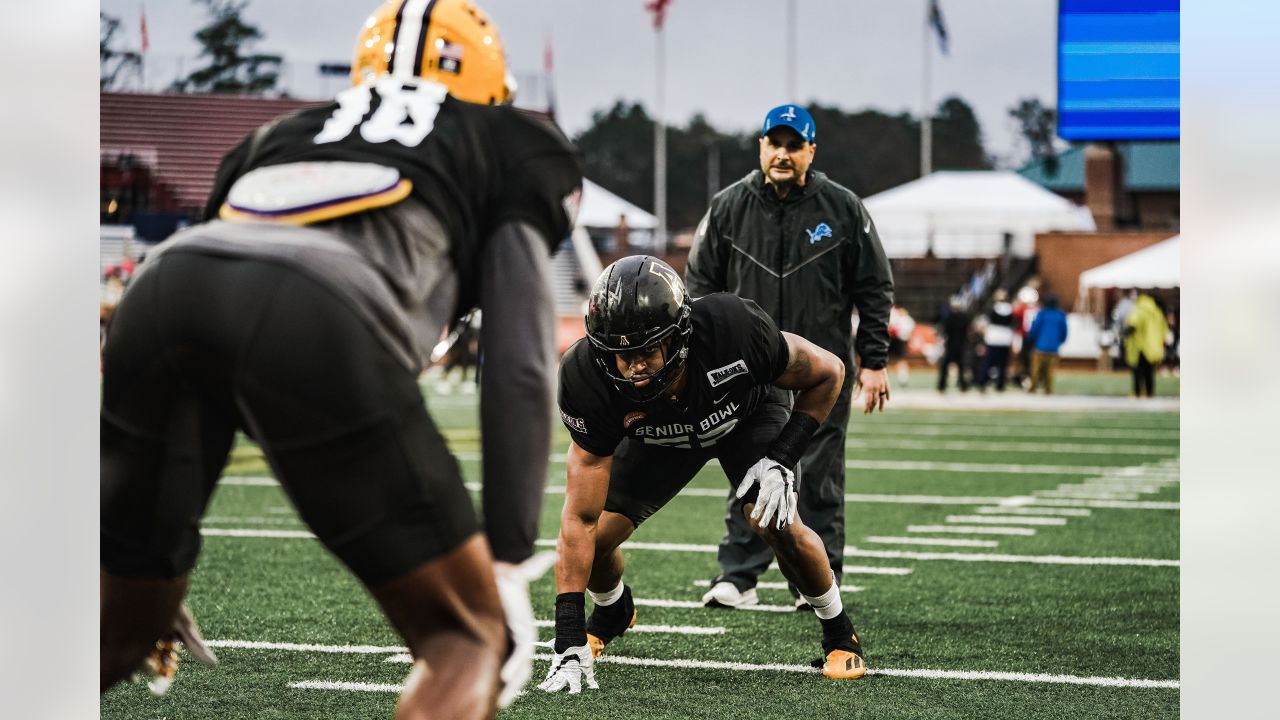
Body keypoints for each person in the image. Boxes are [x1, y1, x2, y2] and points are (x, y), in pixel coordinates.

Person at [99, 1, 582, 716]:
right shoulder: (513, 140)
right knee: (470, 635)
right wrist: (506, 559)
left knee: (118, 629)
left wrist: (156, 568)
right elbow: (520, 359)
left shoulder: (278, 133)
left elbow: (214, 317)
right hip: (321, 310)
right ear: (488, 79)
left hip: (163, 289)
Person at [539, 256, 870, 694]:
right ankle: (613, 610)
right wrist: (567, 636)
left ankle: (839, 631)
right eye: (620, 354)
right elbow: (577, 519)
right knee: (595, 534)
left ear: (679, 336)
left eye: (645, 350)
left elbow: (830, 372)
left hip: (745, 416)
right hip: (659, 436)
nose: (633, 366)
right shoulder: (586, 378)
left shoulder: (733, 329)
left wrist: (782, 458)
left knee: (774, 522)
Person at [684, 104, 894, 611]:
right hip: (747, 368)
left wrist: (874, 360)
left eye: (793, 145)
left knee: (819, 472)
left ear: (810, 152)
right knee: (746, 466)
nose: (782, 153)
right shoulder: (729, 206)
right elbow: (699, 288)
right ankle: (738, 575)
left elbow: (874, 287)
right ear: (760, 147)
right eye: (773, 143)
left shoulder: (844, 209)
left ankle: (816, 580)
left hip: (821, 370)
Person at [1123, 291, 1169, 397]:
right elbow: (1164, 329)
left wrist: (1125, 334)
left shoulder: (1139, 309)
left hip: (1139, 346)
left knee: (1138, 371)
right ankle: (1150, 392)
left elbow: (1132, 324)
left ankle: (1137, 393)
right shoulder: (1157, 311)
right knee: (1150, 371)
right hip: (1153, 346)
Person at [1026, 294, 1069, 394]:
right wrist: (1060, 341)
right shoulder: (1060, 315)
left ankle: (1033, 388)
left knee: (1035, 370)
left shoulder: (1042, 314)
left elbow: (1034, 328)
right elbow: (1064, 331)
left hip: (1040, 346)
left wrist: (1031, 338)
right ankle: (1048, 389)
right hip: (1054, 348)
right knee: (1050, 371)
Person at [976, 289, 1014, 391]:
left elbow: (984, 323)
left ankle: (982, 382)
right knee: (1003, 364)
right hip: (1006, 339)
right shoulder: (1010, 309)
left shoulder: (993, 308)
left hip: (993, 339)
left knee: (988, 362)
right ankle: (1000, 385)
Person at [937, 296, 973, 393]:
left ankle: (942, 386)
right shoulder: (963, 318)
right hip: (960, 345)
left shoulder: (949, 317)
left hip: (951, 345)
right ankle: (962, 386)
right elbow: (967, 332)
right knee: (961, 367)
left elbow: (945, 331)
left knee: (946, 366)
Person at [888, 305, 916, 386]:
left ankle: (903, 377)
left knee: (900, 360)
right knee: (888, 360)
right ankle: (888, 377)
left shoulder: (904, 318)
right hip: (891, 339)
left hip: (899, 340)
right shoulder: (893, 314)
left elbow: (908, 330)